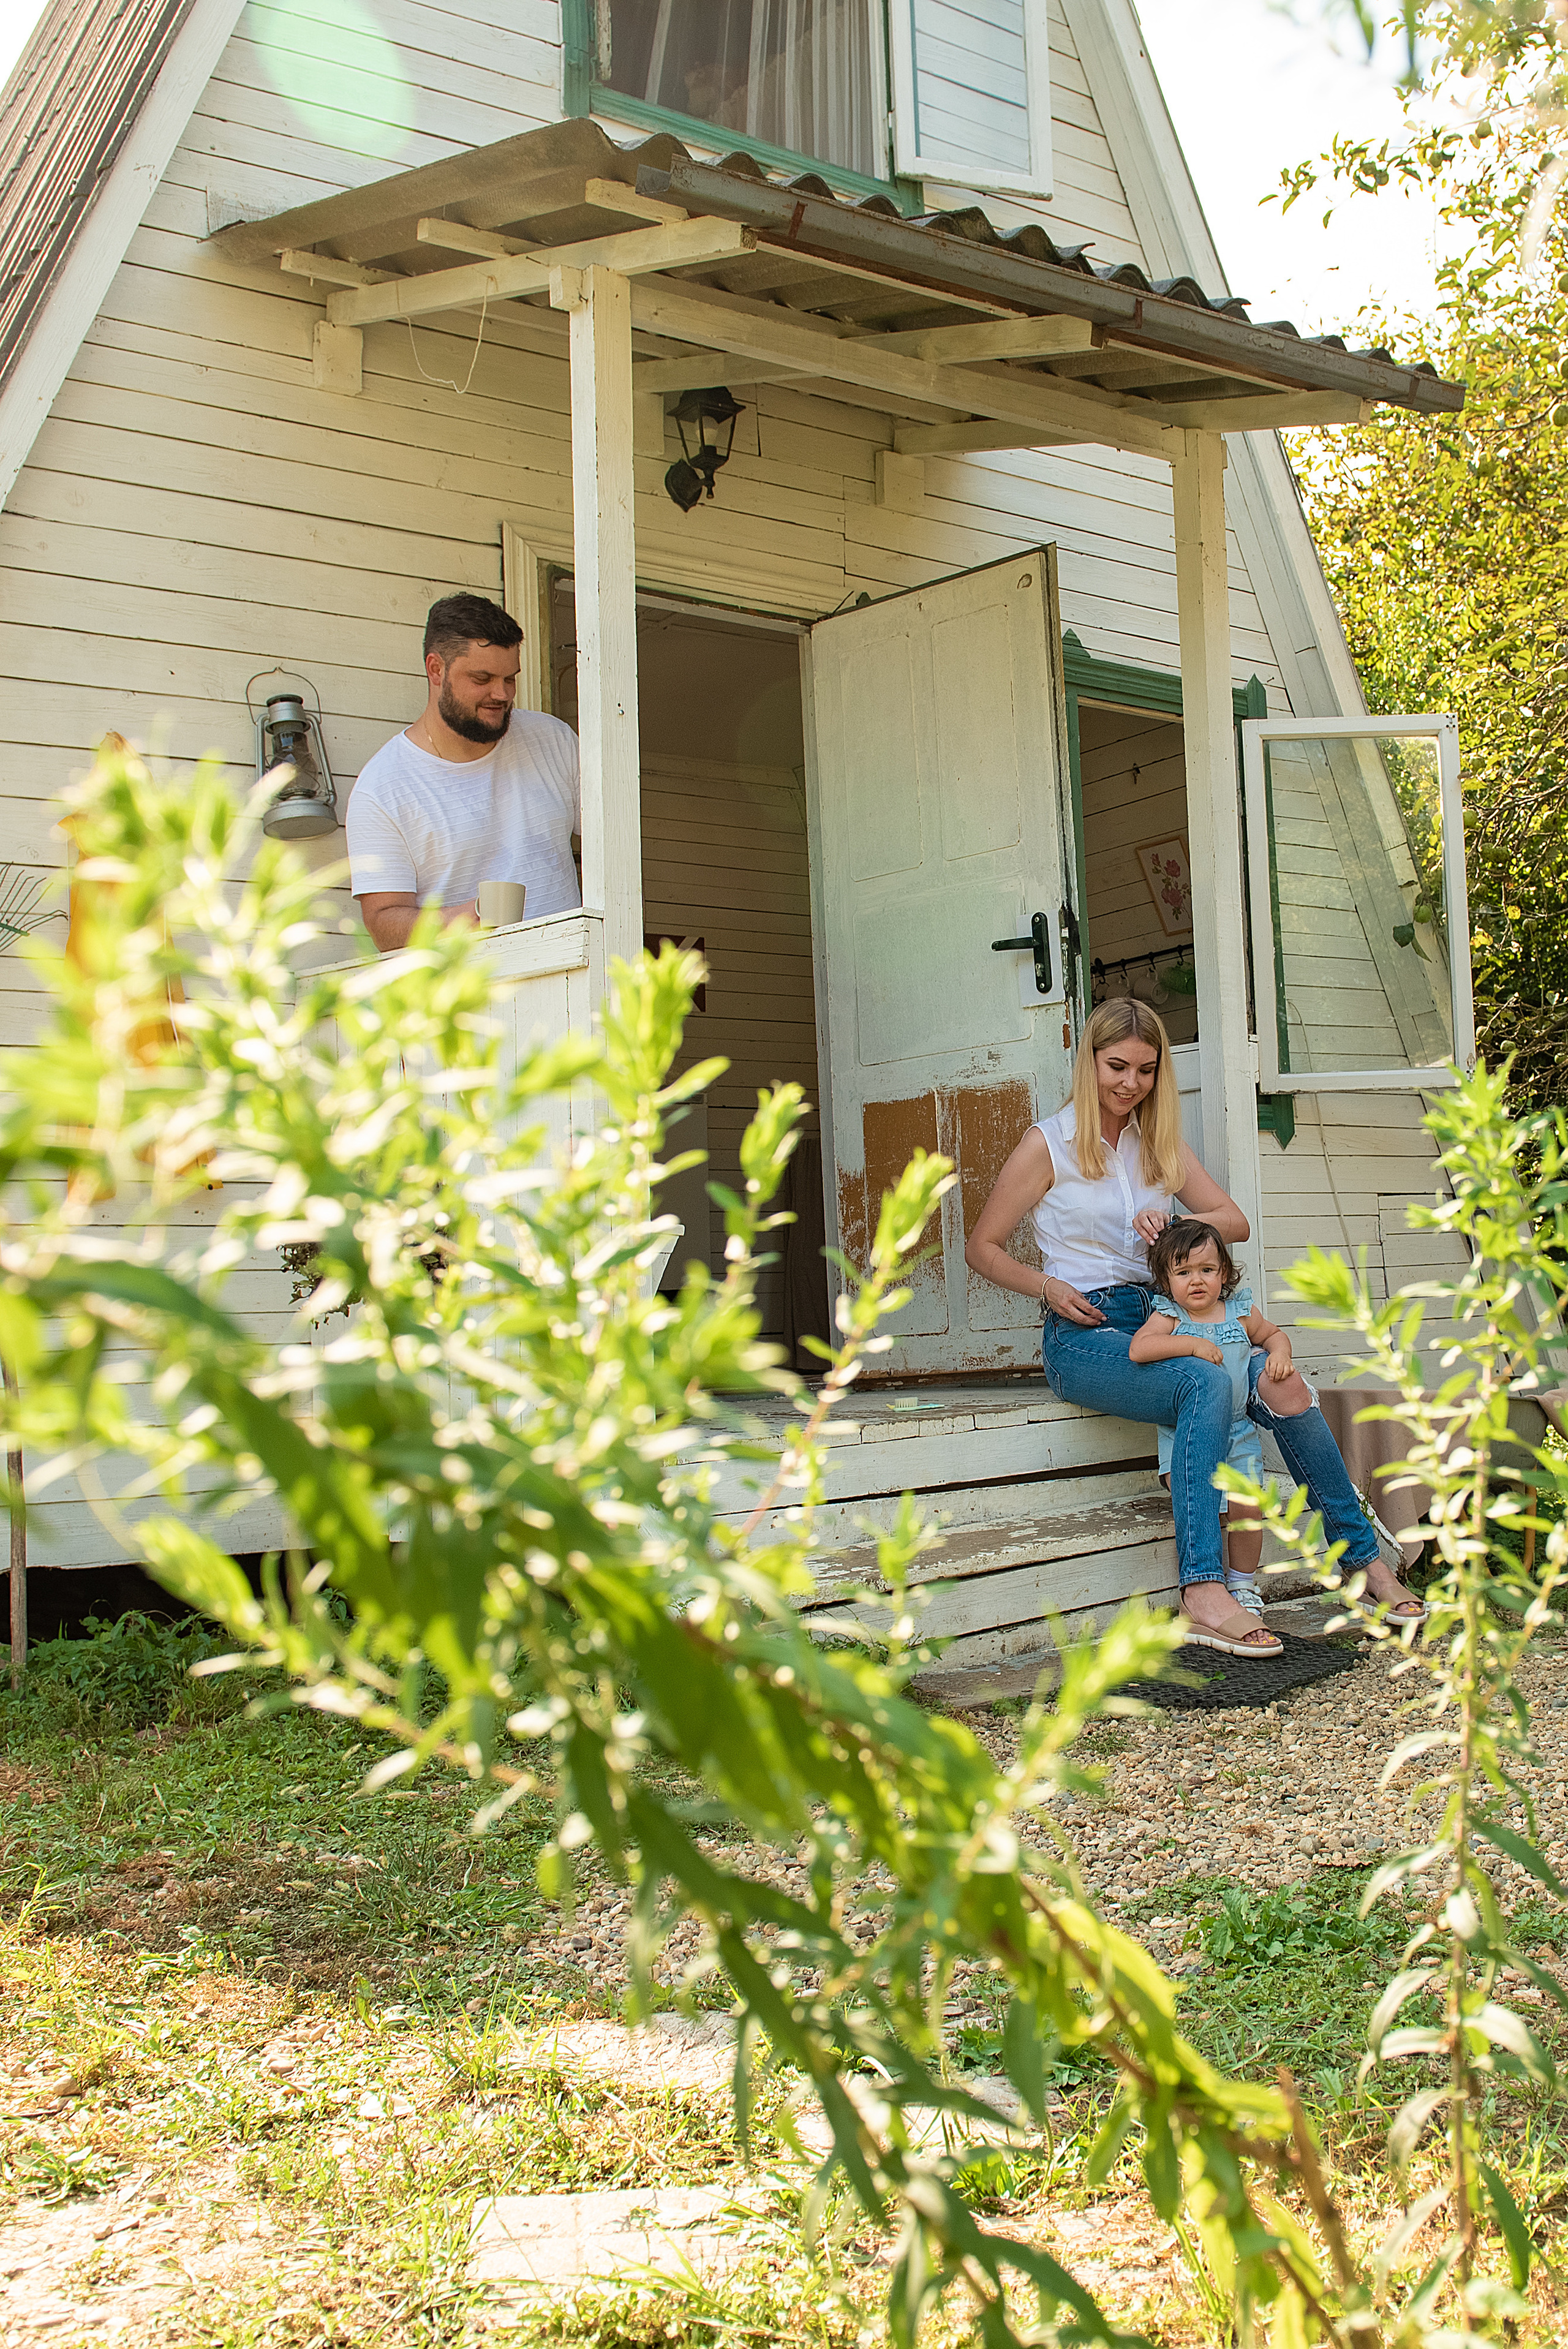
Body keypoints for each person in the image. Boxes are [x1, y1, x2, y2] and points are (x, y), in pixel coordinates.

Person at [963, 997, 1427, 1654]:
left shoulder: (1159, 1144)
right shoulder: (1049, 1144)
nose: (1130, 1084)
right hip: (1086, 1330)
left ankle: (1363, 1563)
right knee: (1202, 1382)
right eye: (1116, 1066)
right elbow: (981, 1246)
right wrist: (1048, 1286)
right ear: (1088, 1062)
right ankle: (1202, 1589)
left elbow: (1231, 1220)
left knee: (1284, 1386)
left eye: (1146, 1070)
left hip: (1172, 1313)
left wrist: (1181, 1231)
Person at [347, 594, 581, 952]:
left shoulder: (553, 739)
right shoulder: (383, 787)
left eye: (510, 678)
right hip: (465, 998)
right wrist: (475, 917)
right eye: (482, 678)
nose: (501, 694)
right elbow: (383, 925)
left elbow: (615, 844)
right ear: (436, 669)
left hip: (572, 983)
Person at [1131, 1218, 1294, 1621]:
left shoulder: (1239, 1312)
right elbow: (1139, 1349)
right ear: (1167, 1281)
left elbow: (1274, 1334)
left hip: (1238, 1431)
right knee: (1203, 1501)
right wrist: (1192, 1344)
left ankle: (1242, 1583)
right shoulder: (1169, 1315)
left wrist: (1279, 1353)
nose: (1197, 1280)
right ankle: (1208, 1584)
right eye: (1183, 1272)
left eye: (1207, 1270)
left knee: (1246, 1508)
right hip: (1186, 1433)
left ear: (1224, 1272)